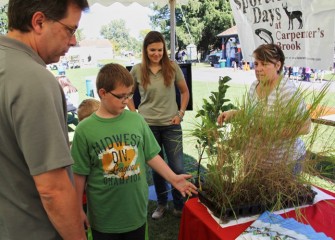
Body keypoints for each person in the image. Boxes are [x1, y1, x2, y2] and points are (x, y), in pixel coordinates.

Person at [71, 63, 197, 240]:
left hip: (135, 214)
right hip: (104, 219)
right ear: (102, 93)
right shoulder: (84, 130)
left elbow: (152, 154)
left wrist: (173, 178)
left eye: (129, 95)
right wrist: (77, 209)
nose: (127, 100)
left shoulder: (136, 120)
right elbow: (79, 174)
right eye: (121, 96)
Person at [0, 0, 89, 239]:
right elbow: (53, 189)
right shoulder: (34, 79)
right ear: (38, 22)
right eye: (70, 29)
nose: (73, 41)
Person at [217, 44, 311, 173]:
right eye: (256, 64)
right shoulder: (254, 85)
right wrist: (234, 114)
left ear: (278, 65)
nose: (258, 69)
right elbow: (251, 114)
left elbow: (305, 126)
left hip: (284, 164)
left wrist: (272, 132)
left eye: (265, 64)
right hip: (255, 161)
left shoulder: (286, 90)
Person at [127, 31, 190, 219]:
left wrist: (180, 113)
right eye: (152, 50)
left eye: (160, 50)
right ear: (146, 50)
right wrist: (134, 114)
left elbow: (185, 92)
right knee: (157, 169)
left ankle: (180, 205)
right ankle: (162, 205)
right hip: (147, 127)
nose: (156, 53)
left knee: (177, 167)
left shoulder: (172, 67)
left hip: (171, 125)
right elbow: (127, 94)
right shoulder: (137, 70)